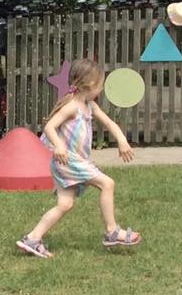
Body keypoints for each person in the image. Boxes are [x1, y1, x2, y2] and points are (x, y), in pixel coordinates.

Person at [17, 58, 140, 259]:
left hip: (70, 162)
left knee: (65, 204)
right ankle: (112, 231)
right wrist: (58, 146)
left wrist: (121, 140)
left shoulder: (89, 105)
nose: (101, 90)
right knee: (107, 184)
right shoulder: (72, 106)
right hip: (70, 161)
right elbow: (49, 126)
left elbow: (110, 123)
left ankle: (32, 238)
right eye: (100, 85)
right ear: (90, 85)